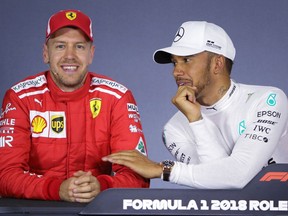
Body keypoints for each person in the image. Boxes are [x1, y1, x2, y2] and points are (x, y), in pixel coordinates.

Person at [102, 21, 288, 189]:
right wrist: (196, 119)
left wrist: (163, 170)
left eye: (187, 60)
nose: (177, 71)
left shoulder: (268, 100)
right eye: (174, 62)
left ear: (217, 63)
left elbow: (237, 176)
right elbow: (219, 186)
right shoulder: (173, 130)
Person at [0, 9, 149, 203]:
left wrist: (102, 186)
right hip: (36, 210)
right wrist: (57, 189)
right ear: (46, 53)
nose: (69, 56)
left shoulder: (117, 97)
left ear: (91, 54)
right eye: (60, 46)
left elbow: (138, 174)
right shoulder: (20, 97)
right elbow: (5, 174)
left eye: (79, 47)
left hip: (96, 210)